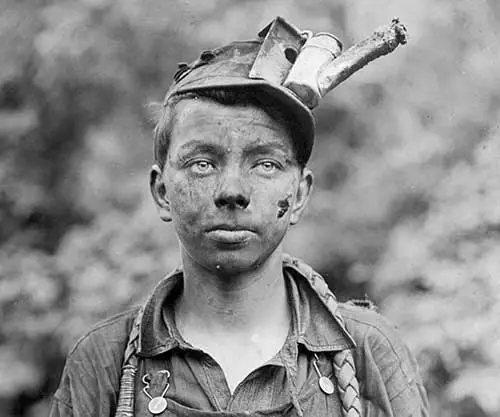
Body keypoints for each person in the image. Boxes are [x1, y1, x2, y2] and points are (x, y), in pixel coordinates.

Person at [49, 17, 429, 417]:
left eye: (265, 164)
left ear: (299, 194)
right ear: (162, 192)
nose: (233, 191)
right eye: (202, 163)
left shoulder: (367, 351)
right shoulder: (102, 363)